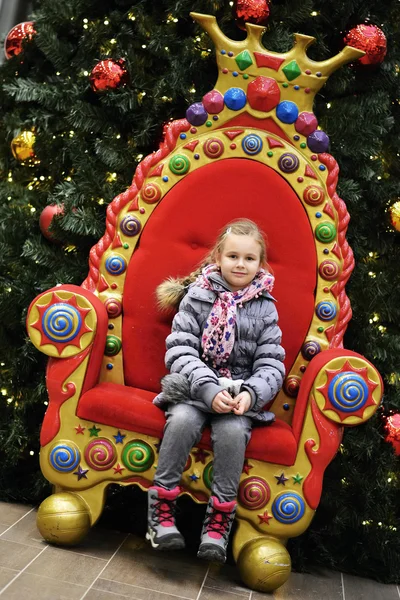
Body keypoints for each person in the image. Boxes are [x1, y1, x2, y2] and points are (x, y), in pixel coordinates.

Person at [147, 218, 285, 563]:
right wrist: (207, 388)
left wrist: (251, 394)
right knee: (181, 421)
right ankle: (161, 510)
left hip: (238, 396)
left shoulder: (265, 308)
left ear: (259, 264)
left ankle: (218, 522)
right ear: (218, 257)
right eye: (233, 256)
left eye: (249, 259)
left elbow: (272, 364)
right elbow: (180, 349)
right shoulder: (198, 296)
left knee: (234, 432)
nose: (241, 264)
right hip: (195, 390)